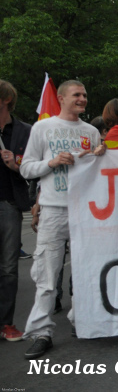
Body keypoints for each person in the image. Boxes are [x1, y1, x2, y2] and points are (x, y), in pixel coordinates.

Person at [19, 80, 104, 359]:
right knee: (47, 275)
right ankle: (42, 332)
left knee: (83, 272)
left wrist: (102, 155)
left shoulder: (91, 131)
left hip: (84, 210)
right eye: (77, 95)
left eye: (85, 95)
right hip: (53, 210)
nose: (82, 99)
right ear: (61, 98)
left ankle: (82, 321)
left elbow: (99, 171)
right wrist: (52, 162)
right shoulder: (43, 128)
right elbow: (27, 168)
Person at [0, 80, 32, 342]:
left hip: (9, 205)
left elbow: (34, 169)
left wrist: (15, 165)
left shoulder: (24, 131)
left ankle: (6, 324)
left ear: (6, 100)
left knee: (9, 268)